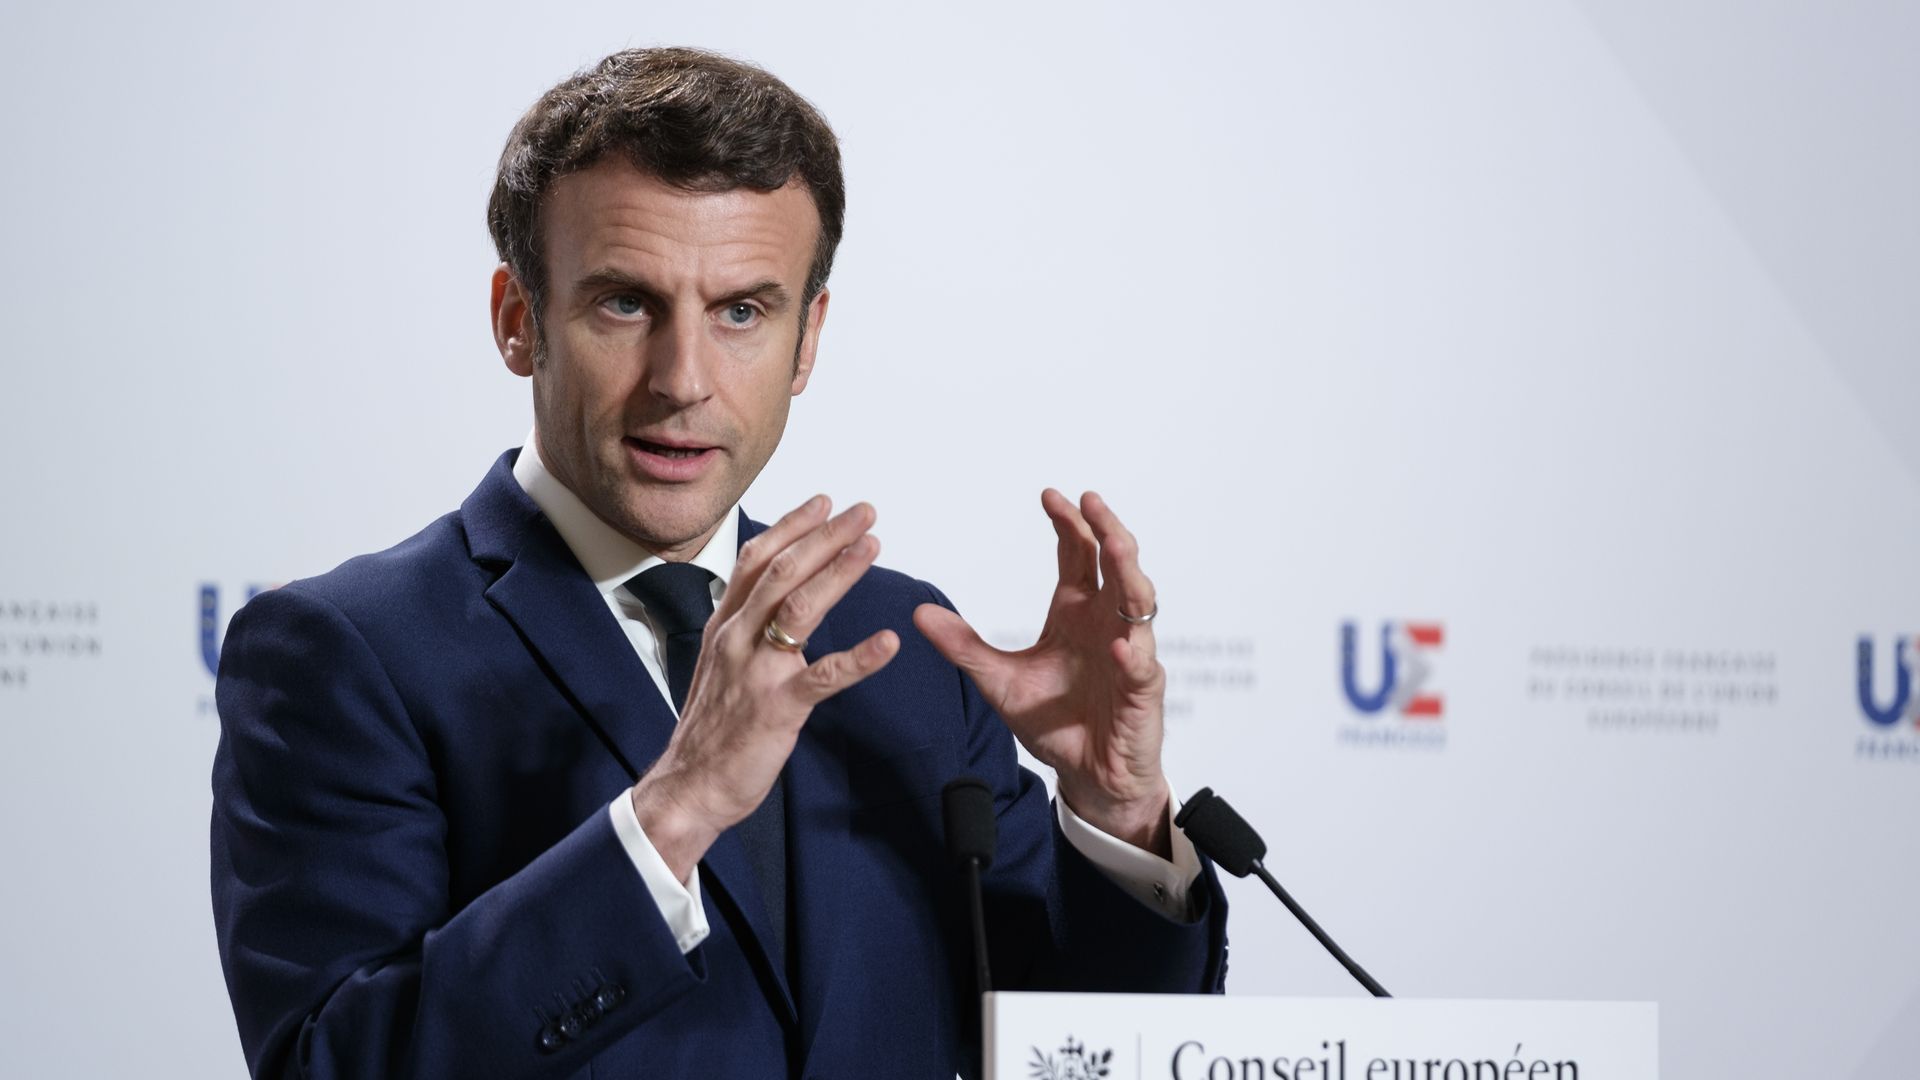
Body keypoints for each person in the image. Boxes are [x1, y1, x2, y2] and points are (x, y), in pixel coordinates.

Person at [210, 46, 1226, 1079]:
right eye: (624, 304)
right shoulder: (344, 653)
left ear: (807, 338)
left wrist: (1117, 816)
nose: (683, 380)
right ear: (520, 321)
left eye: (742, 310)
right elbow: (329, 1065)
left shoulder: (903, 647)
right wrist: (672, 811)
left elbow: (1084, 1041)